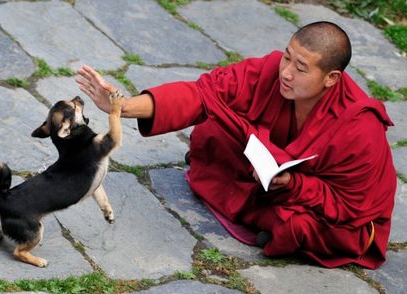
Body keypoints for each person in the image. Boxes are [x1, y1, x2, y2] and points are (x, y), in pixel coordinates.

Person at [76, 21, 396, 270]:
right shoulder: (271, 71)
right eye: (287, 56)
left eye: (301, 68)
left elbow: (350, 205)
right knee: (212, 129)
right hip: (269, 172)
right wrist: (123, 106)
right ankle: (256, 203)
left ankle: (264, 217)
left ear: (332, 79)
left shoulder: (360, 127)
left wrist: (294, 183)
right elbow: (204, 94)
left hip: (328, 206)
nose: (285, 72)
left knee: (298, 225)